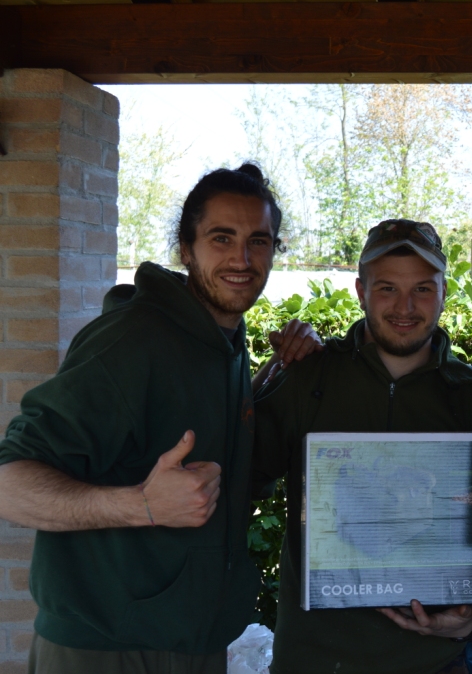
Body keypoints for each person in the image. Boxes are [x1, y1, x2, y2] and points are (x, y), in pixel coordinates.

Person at [0, 164, 322, 674]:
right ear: (185, 248)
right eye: (221, 238)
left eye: (258, 241)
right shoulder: (131, 341)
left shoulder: (223, 340)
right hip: (106, 650)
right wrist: (143, 506)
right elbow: (10, 483)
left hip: (192, 641)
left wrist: (280, 370)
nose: (242, 259)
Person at [251, 219, 472, 674]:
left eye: (422, 289)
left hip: (433, 663)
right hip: (314, 661)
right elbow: (239, 474)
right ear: (361, 292)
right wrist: (269, 370)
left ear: (444, 293)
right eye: (387, 288)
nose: (405, 307)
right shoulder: (308, 377)